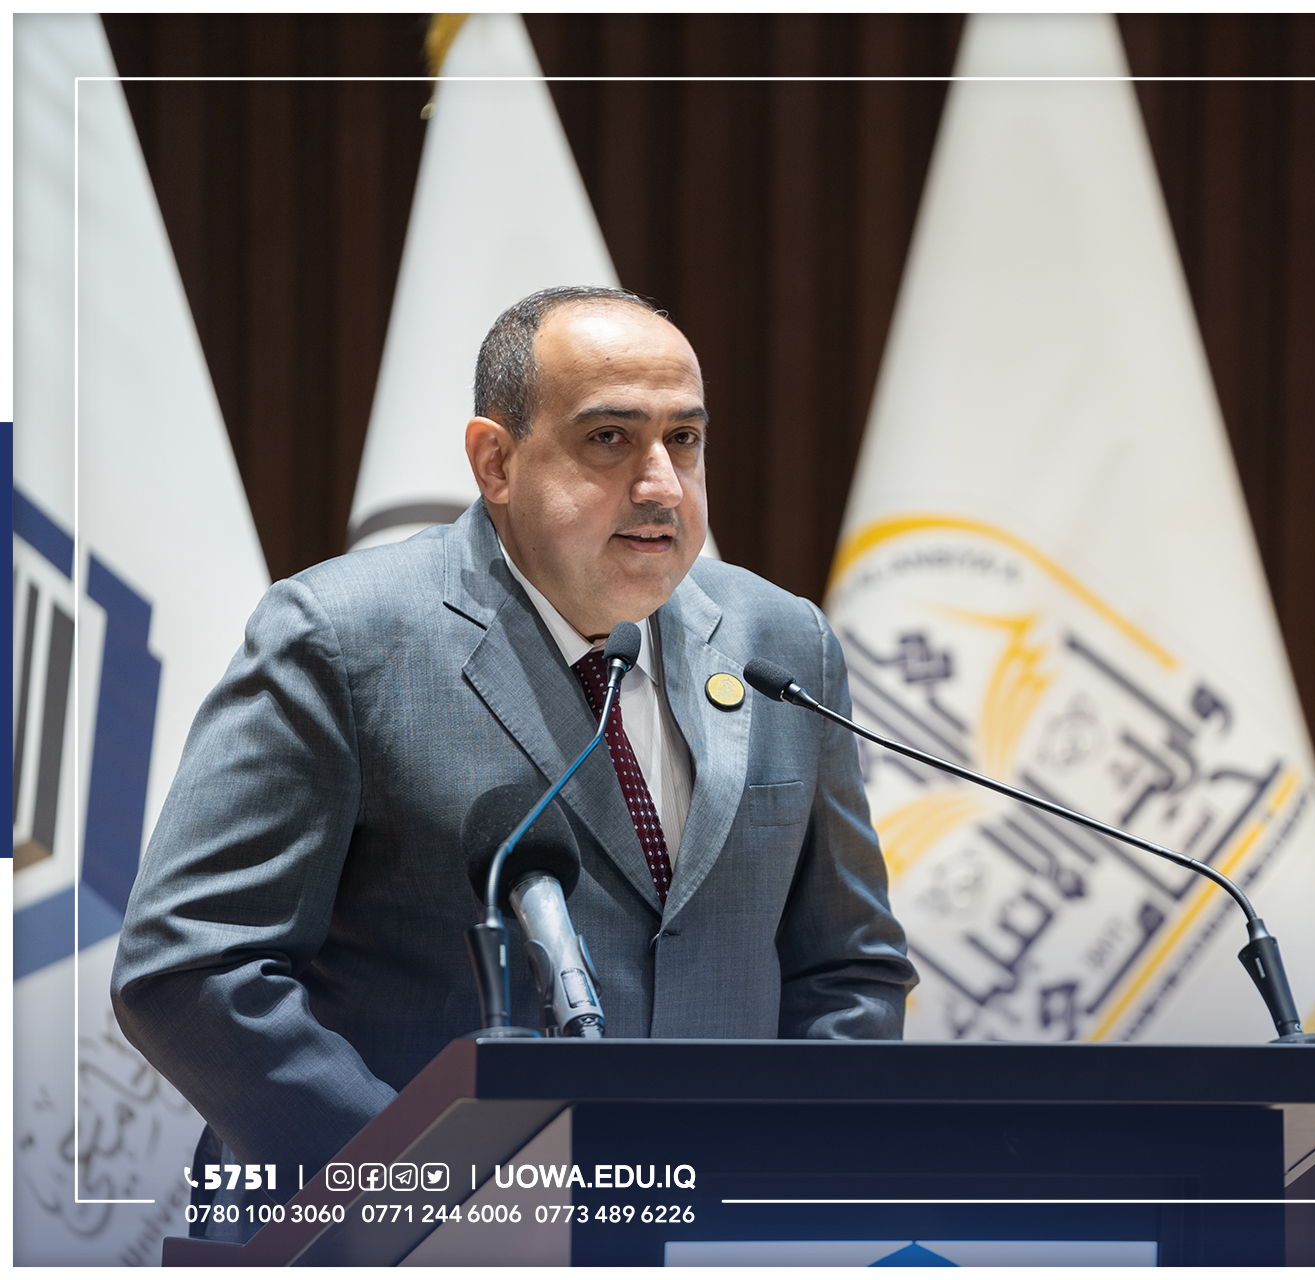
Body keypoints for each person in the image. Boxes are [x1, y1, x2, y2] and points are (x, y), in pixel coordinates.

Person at [111, 286, 916, 1223]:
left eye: (685, 439)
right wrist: (422, 1193)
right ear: (496, 461)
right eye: (609, 438)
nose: (661, 484)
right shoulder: (342, 636)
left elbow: (847, 970)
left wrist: (791, 1193)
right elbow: (189, 964)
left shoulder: (781, 642)